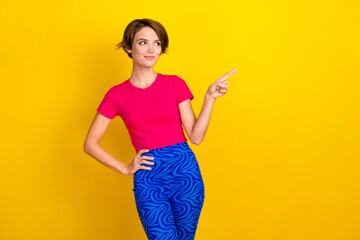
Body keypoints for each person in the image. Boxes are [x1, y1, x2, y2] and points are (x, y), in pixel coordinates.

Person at [84, 18, 237, 240]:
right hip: (149, 179)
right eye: (143, 42)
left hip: (185, 174)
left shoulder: (175, 84)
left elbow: (195, 136)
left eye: (157, 43)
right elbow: (90, 144)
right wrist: (125, 168)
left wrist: (210, 98)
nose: (151, 49)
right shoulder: (116, 95)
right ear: (129, 47)